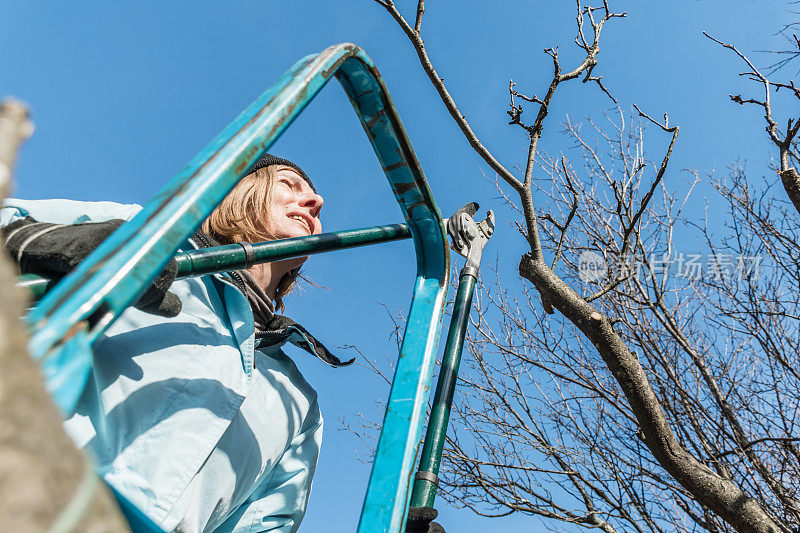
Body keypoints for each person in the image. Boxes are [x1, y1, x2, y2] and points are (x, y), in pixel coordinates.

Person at [0, 154, 352, 532]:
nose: (316, 203)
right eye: (289, 184)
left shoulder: (295, 401)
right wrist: (29, 241)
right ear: (239, 192)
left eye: (317, 200)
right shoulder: (142, 237)